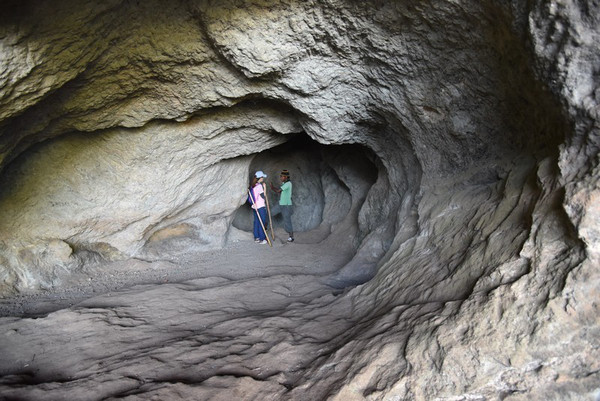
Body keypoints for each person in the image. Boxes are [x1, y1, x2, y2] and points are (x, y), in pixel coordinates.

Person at [270, 169, 294, 242]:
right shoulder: (284, 184)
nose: (281, 178)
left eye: (282, 176)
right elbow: (282, 193)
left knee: (287, 220)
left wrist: (272, 187)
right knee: (270, 212)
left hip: (286, 205)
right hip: (281, 203)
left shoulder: (288, 184)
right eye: (281, 176)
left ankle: (291, 237)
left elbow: (278, 191)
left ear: (286, 177)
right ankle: (264, 227)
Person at [249, 171, 269, 244]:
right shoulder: (259, 186)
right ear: (259, 178)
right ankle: (262, 238)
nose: (263, 178)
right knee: (262, 222)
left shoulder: (253, 186)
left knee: (257, 221)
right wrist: (265, 188)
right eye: (262, 177)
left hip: (254, 206)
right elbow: (263, 196)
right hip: (260, 206)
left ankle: (256, 237)